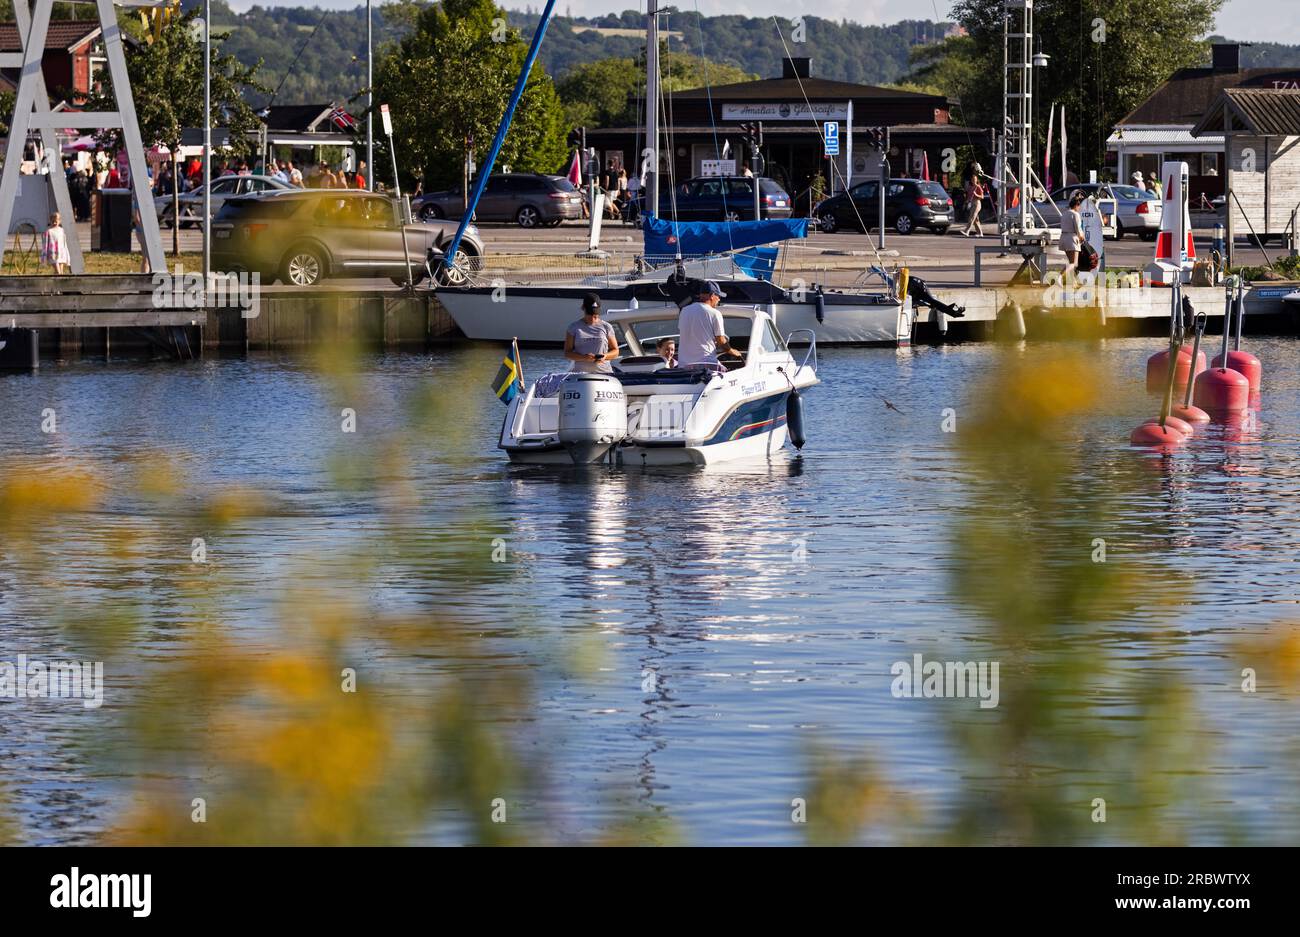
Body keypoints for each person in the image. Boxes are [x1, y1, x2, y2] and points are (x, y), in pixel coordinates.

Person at [678, 280, 742, 368]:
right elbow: (721, 341)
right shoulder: (714, 313)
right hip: (706, 364)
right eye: (718, 296)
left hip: (683, 365)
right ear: (712, 296)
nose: (719, 299)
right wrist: (733, 351)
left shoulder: (684, 311)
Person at [564, 292, 619, 373]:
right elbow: (567, 353)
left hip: (604, 373)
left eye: (595, 315)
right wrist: (584, 357)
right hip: (580, 374)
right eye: (589, 314)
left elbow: (616, 351)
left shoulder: (607, 327)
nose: (592, 318)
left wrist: (605, 356)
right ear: (583, 308)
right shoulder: (573, 327)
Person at [1059, 192, 1084, 275]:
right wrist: (1081, 237)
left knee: (1070, 261)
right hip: (1072, 239)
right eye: (1079, 206)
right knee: (1074, 263)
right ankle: (1059, 276)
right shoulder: (1075, 214)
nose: (1079, 208)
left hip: (1063, 238)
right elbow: (1078, 228)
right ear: (1077, 205)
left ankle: (1074, 283)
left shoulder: (1064, 214)